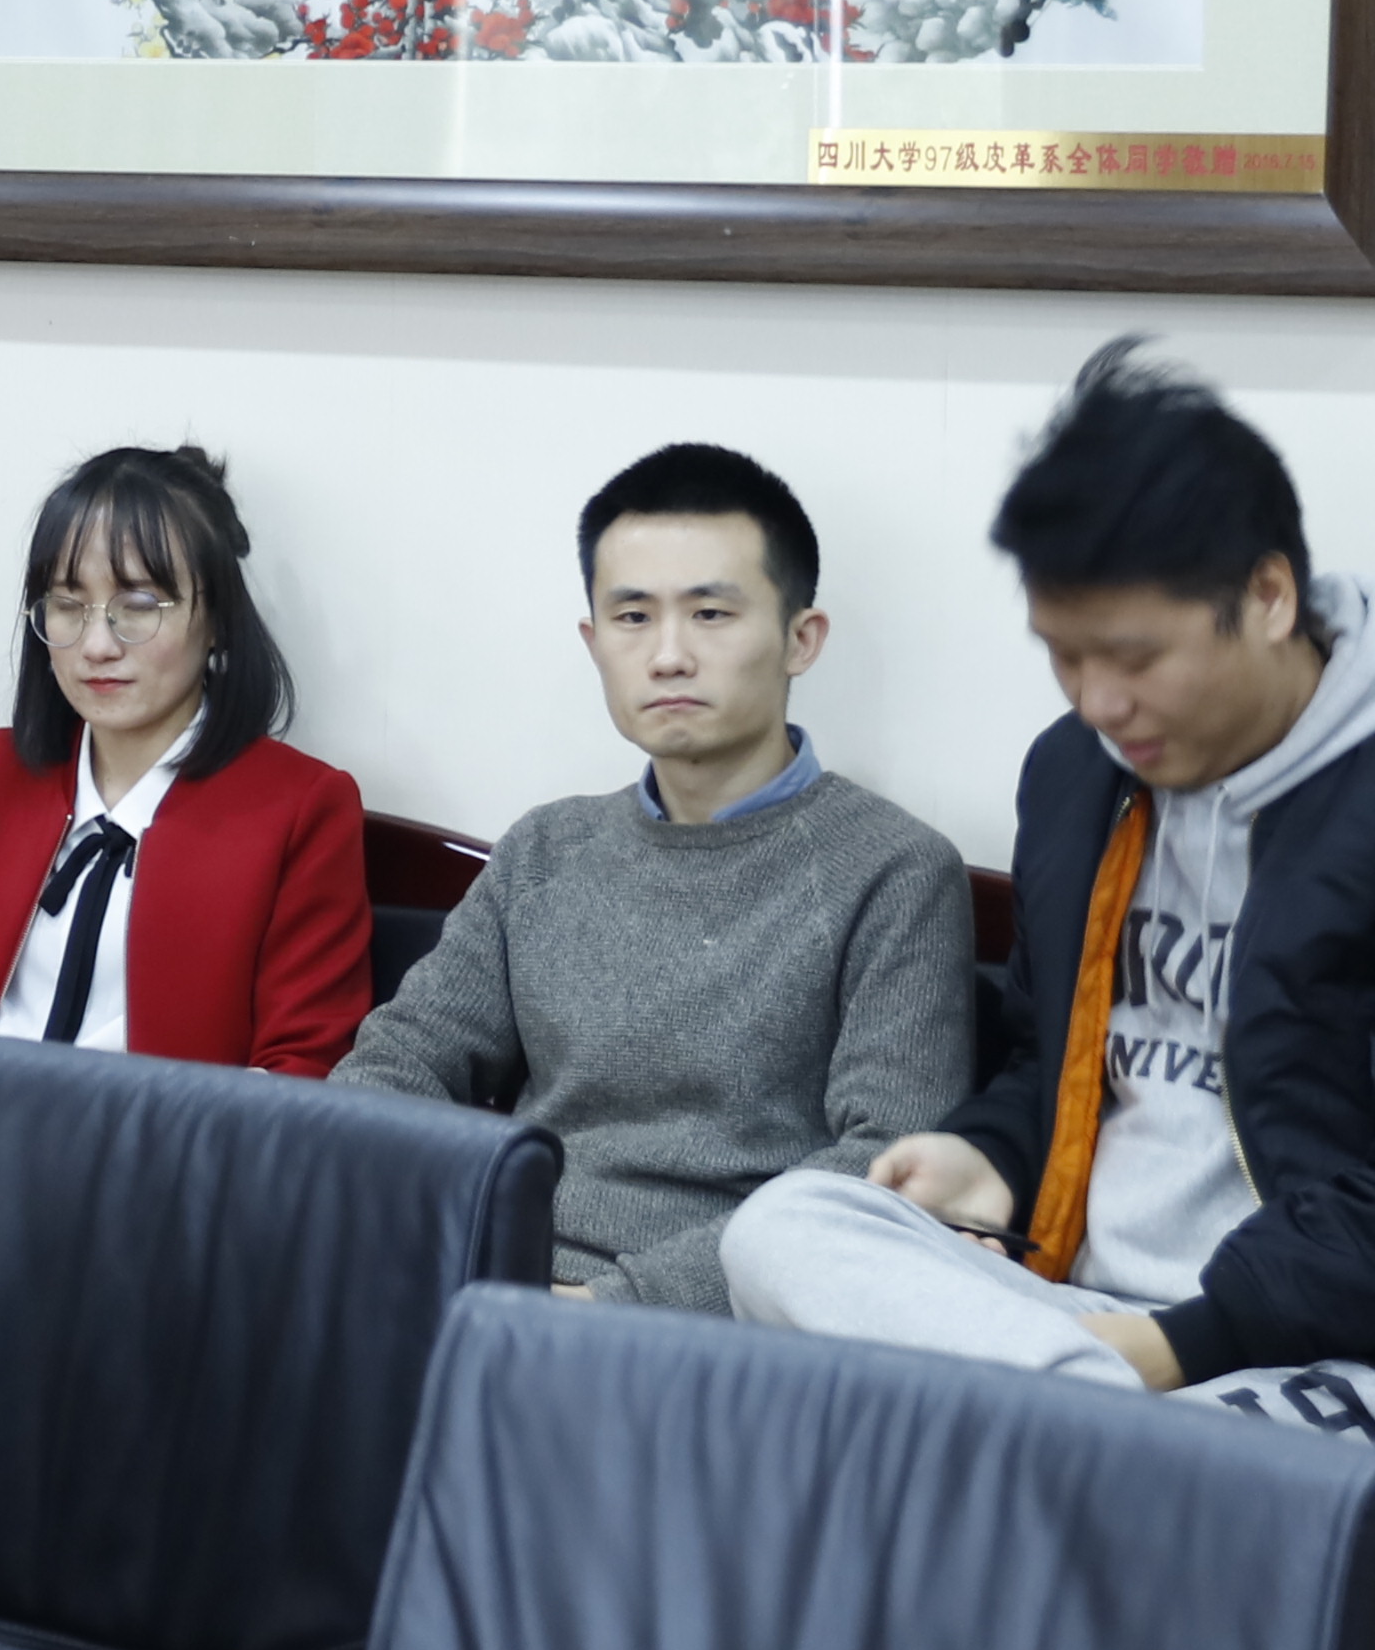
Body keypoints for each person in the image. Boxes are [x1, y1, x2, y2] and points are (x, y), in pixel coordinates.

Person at [718, 340, 1375, 1536]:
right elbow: (1052, 1055)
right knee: (784, 1226)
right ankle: (1070, 1440)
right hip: (1070, 1317)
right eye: (1064, 655)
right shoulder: (1078, 774)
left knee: (996, 1485)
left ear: (1268, 595)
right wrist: (993, 1155)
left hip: (1345, 1366)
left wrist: (1177, 1343)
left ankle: (1058, 1450)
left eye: (1136, 656)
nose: (1098, 702)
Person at [335, 441, 978, 1305]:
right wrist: (428, 1248)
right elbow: (401, 1061)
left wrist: (619, 1307)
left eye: (710, 614)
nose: (668, 655)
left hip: (726, 1325)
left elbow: (884, 1167)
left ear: (801, 639)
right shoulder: (545, 850)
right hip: (493, 1280)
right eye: (633, 617)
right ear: (593, 640)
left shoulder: (894, 870)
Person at [0, 443, 373, 1103]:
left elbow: (304, 1078)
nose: (97, 645)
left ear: (217, 620)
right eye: (67, 604)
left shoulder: (301, 808)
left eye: (139, 604)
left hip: (156, 1157)